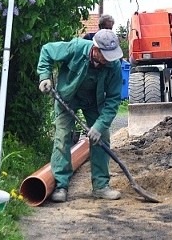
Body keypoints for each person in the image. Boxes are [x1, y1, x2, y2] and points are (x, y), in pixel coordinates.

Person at [37, 29, 124, 203]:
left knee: (102, 138)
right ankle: (61, 185)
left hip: (93, 102)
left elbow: (114, 99)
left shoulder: (113, 66)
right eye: (106, 55)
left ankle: (100, 186)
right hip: (66, 98)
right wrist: (44, 76)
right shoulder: (76, 48)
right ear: (96, 50)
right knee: (62, 138)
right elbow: (47, 50)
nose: (110, 59)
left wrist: (99, 126)